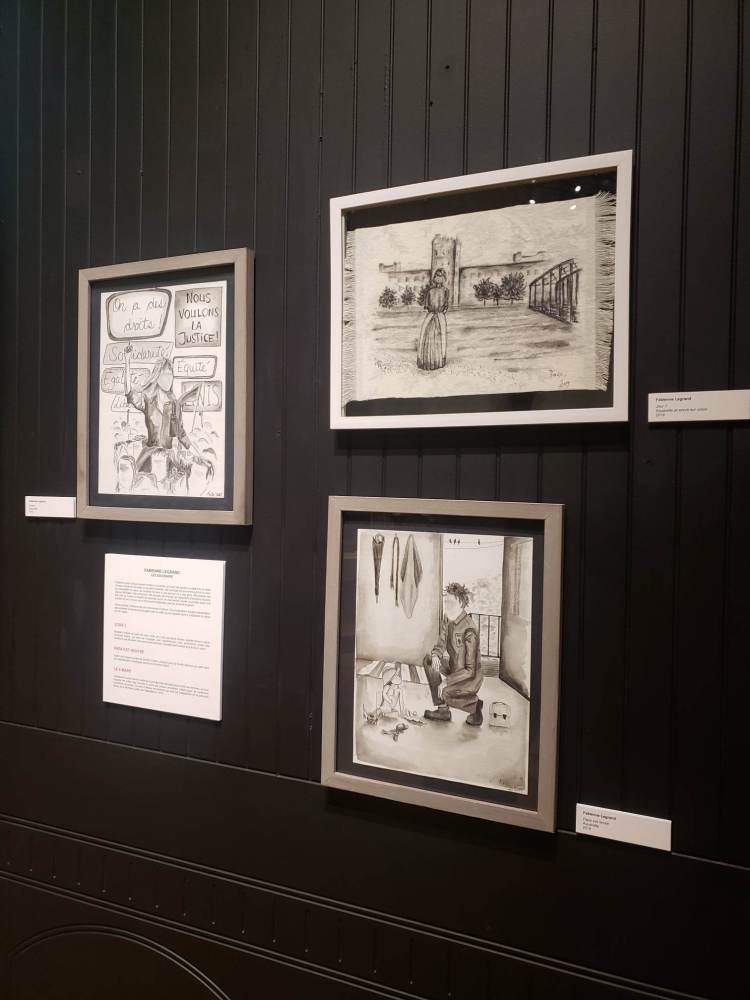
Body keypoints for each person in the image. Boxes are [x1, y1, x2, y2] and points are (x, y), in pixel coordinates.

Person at [123, 344, 213, 490]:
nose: (169, 379)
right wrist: (127, 361)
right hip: (149, 457)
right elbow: (129, 392)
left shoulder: (174, 403)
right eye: (165, 374)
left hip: (168, 459)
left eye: (171, 375)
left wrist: (201, 457)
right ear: (157, 376)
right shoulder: (147, 400)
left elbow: (181, 435)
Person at [422, 581, 483, 726]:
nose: (447, 605)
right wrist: (436, 654)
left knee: (444, 692)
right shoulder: (447, 618)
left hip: (469, 678)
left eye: (451, 602)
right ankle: (443, 710)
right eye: (446, 602)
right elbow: (441, 642)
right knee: (428, 660)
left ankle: (475, 706)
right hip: (454, 668)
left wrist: (446, 682)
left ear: (461, 603)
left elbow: (470, 671)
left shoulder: (470, 629)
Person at [416, 268, 449, 371]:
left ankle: (439, 360)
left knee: (441, 335)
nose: (439, 279)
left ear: (444, 279)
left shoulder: (445, 290)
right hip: (431, 314)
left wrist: (441, 312)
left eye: (441, 277)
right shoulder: (430, 291)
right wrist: (431, 311)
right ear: (434, 278)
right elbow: (426, 305)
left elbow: (446, 305)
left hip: (440, 315)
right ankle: (425, 359)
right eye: (437, 276)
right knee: (425, 333)